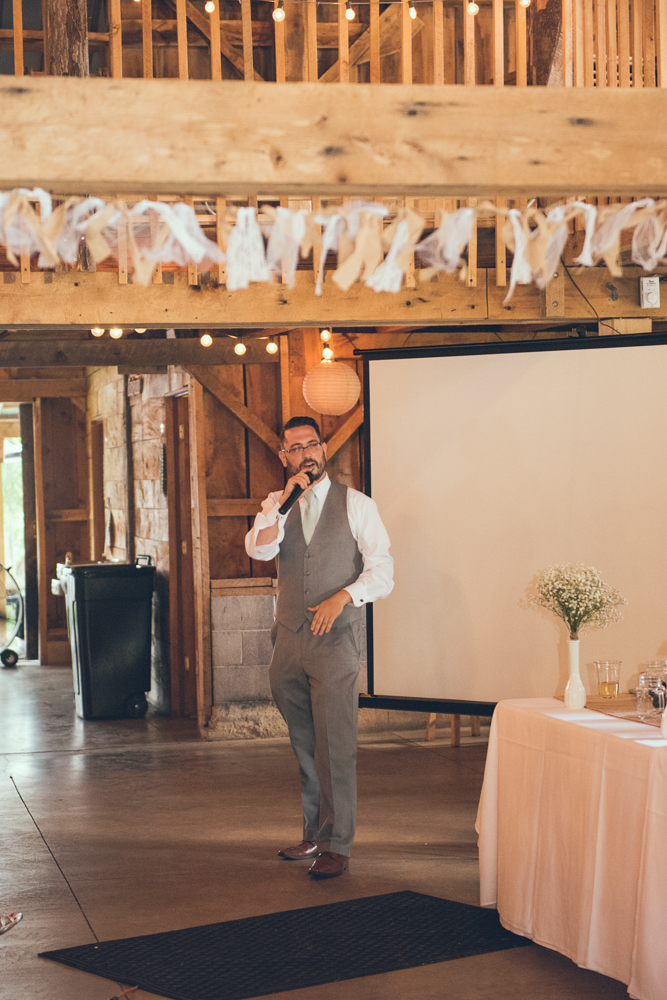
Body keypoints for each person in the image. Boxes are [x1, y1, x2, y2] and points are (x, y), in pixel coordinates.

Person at [245, 415, 393, 879]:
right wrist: (285, 502)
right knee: (305, 743)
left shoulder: (357, 505)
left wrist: (344, 596)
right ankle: (314, 832)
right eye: (295, 448)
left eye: (312, 445)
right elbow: (258, 550)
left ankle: (338, 844)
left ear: (324, 449)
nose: (305, 454)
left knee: (336, 744)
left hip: (335, 641)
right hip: (287, 640)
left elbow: (382, 572)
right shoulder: (276, 504)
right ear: (285, 455)